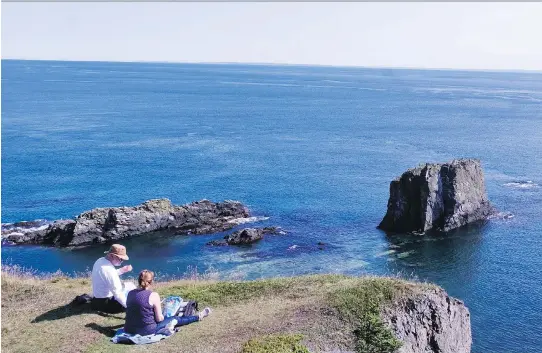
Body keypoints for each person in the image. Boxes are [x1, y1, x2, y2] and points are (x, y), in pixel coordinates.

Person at [124, 270, 211, 336]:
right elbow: (159, 319)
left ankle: (167, 327)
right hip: (147, 330)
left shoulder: (130, 293)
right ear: (151, 282)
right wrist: (161, 313)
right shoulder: (153, 295)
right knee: (175, 318)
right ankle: (198, 316)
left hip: (129, 329)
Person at [91, 244, 135, 313]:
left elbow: (107, 276)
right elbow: (118, 295)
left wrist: (122, 270)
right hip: (106, 303)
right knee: (133, 294)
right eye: (120, 259)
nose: (122, 261)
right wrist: (130, 308)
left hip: (97, 299)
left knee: (130, 285)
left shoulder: (100, 261)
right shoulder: (109, 270)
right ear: (111, 255)